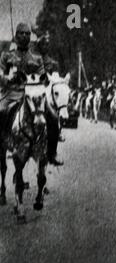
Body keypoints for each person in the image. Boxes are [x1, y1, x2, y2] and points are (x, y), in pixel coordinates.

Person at [0, 23, 44, 140]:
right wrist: (8, 78)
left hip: (33, 94)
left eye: (27, 33)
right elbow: (1, 74)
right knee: (1, 110)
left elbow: (42, 77)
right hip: (12, 93)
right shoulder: (8, 56)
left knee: (52, 113)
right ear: (16, 35)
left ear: (30, 37)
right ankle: (3, 142)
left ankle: (51, 150)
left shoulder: (37, 58)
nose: (24, 36)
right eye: (21, 33)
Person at [35, 30, 64, 166]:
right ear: (39, 45)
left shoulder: (52, 62)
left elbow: (56, 79)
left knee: (53, 118)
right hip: (31, 89)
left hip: (45, 91)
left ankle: (52, 153)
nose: (45, 46)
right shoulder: (31, 58)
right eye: (43, 44)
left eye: (47, 44)